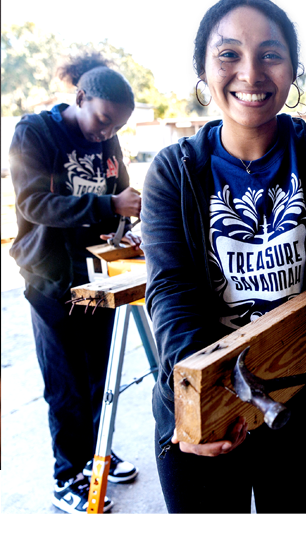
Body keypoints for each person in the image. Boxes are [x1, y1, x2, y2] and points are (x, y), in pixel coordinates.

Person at [141, 0, 306, 514]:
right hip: (203, 411)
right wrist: (201, 400)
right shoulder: (174, 172)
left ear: (293, 69)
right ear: (203, 69)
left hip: (300, 402)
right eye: (229, 54)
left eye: (270, 54)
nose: (251, 73)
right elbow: (171, 290)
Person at [8, 52, 142, 514]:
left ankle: (97, 453)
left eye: (116, 126)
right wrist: (109, 207)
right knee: (65, 382)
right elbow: (33, 204)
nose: (107, 132)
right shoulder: (34, 133)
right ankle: (67, 475)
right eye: (103, 121)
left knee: (99, 375)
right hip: (48, 275)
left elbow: (118, 193)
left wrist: (123, 228)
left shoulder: (107, 137)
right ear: (81, 97)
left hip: (95, 274)